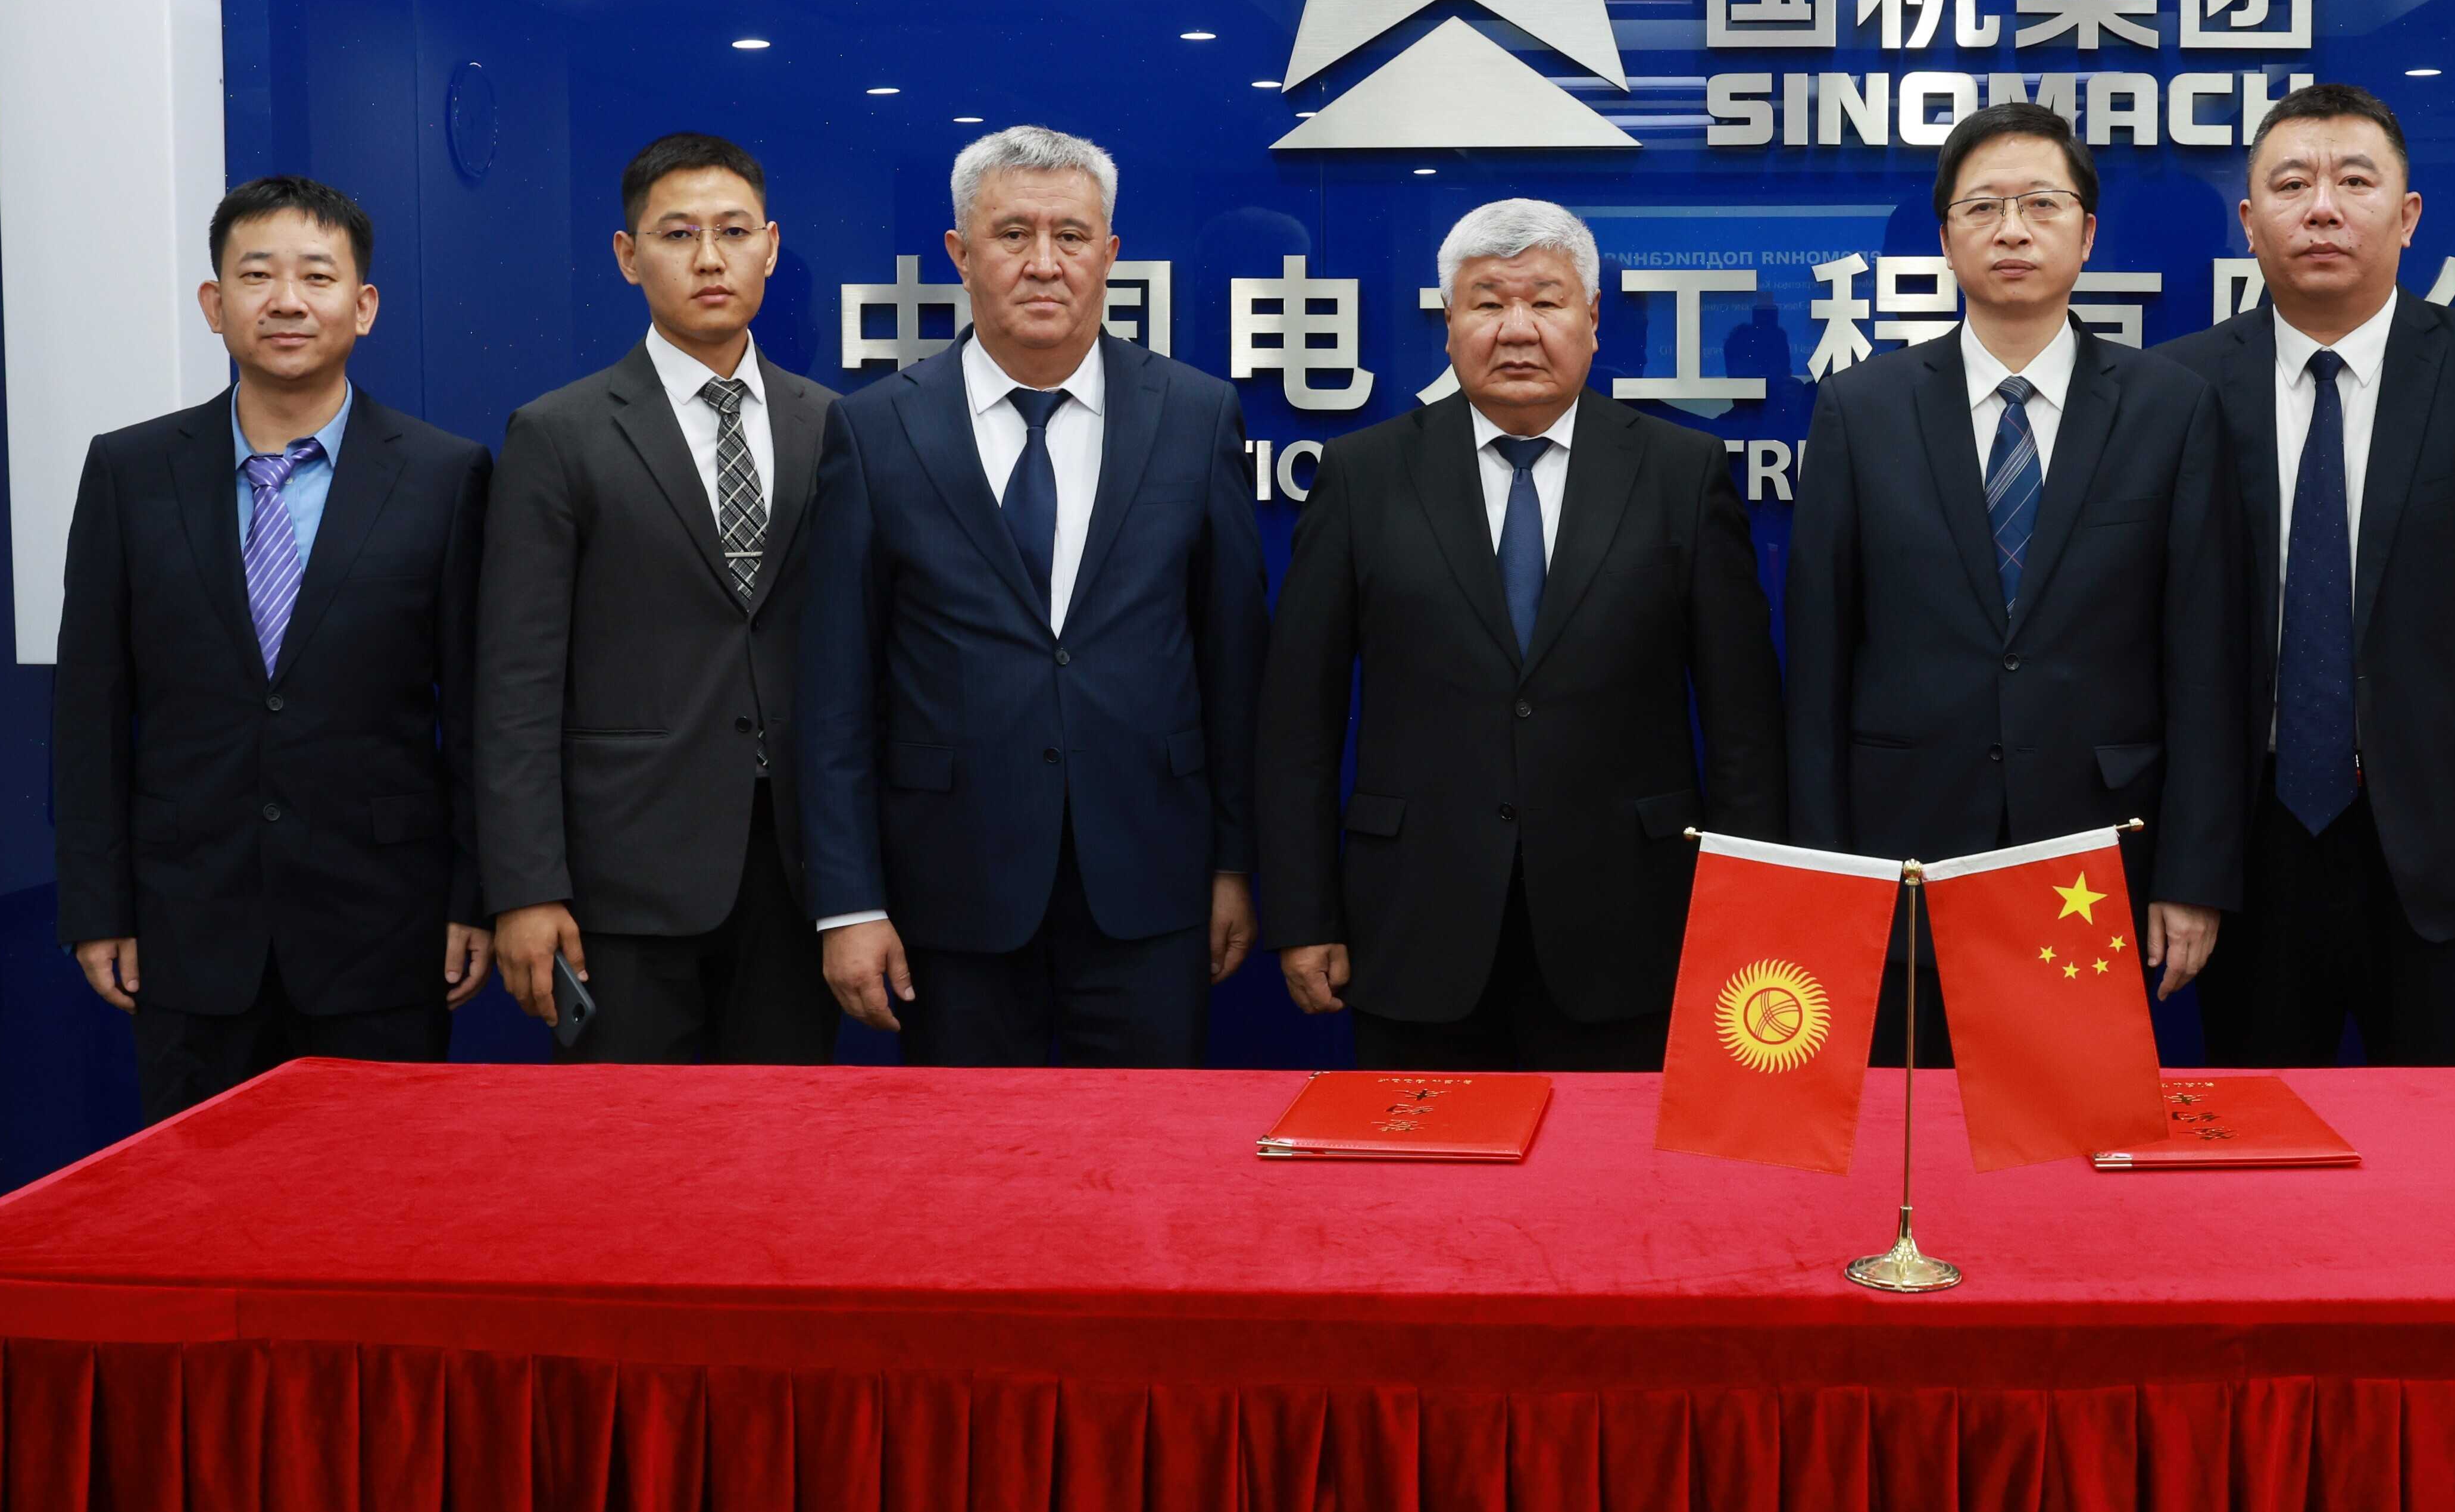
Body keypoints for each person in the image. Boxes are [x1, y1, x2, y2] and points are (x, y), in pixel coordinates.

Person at [1257, 199, 1785, 1070]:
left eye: (1545, 301)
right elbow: (1297, 722)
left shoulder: (1681, 473)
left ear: (1593, 318)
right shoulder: (1363, 476)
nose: (1517, 329)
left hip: (1634, 924)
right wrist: (1304, 913)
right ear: (1448, 321)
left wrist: (1747, 912)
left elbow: (1744, 724)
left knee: (1612, 1160)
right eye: (1487, 302)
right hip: (1414, 920)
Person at [794, 125, 1268, 1066]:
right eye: (1013, 234)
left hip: (1152, 881)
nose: (1044, 263)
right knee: (967, 1152)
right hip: (949, 890)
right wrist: (849, 903)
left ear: (1111, 254)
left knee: (1142, 1145)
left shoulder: (1195, 414)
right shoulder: (876, 429)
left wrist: (1234, 863)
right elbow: (835, 690)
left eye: (1072, 235)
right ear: (961, 254)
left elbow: (1233, 663)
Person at [2153, 83, 2455, 1067]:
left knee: (2452, 1140)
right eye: (2291, 185)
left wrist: (2439, 712)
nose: (2322, 208)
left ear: (2408, 215)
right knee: (2264, 1134)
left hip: (2447, 833)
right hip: (2250, 841)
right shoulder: (2177, 385)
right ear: (2249, 221)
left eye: (2355, 181)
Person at [1786, 101, 2241, 1058]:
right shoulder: (1862, 410)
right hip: (1905, 845)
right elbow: (1819, 660)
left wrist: (2192, 873)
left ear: (2088, 233)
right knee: (1916, 1125)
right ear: (1945, 237)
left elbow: (2205, 660)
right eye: (1983, 206)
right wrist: (1824, 877)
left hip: (2097, 851)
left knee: (2076, 1127)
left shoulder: (2170, 409)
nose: (2013, 230)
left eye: (2041, 203)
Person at [53, 177, 492, 1119]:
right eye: (257, 276)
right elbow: (89, 708)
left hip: (386, 926)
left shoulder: (445, 476)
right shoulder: (130, 473)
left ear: (363, 306)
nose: (287, 301)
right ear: (215, 304)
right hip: (187, 923)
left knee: (378, 1187)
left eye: (317, 277)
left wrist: (474, 895)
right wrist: (97, 906)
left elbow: (476, 711)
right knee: (198, 1191)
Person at [474, 133, 838, 1065]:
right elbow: (516, 683)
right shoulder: (558, 434)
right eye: (678, 234)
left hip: (797, 876)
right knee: (626, 1145)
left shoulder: (831, 424)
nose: (710, 258)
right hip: (622, 882)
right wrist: (526, 887)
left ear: (770, 247)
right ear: (628, 255)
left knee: (784, 1139)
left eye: (734, 231)